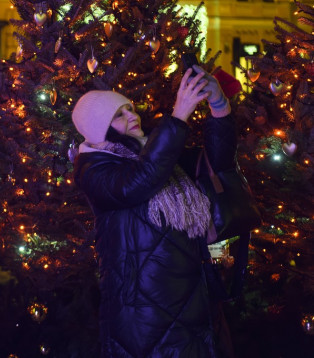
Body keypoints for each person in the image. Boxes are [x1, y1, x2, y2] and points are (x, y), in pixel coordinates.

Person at [71, 67, 236, 357]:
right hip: (146, 311)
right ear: (97, 130)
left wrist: (219, 104)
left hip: (196, 298)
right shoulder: (94, 169)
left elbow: (217, 162)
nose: (133, 116)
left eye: (130, 109)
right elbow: (138, 183)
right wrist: (178, 115)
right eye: (118, 115)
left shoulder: (157, 151)